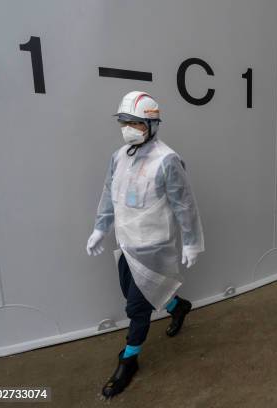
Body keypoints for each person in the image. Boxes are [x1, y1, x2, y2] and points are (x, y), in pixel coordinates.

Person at [85, 91, 205, 398]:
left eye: (135, 122)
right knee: (143, 292)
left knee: (136, 307)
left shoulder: (167, 160)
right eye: (124, 121)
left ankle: (129, 359)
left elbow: (185, 206)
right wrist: (100, 228)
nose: (128, 127)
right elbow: (107, 195)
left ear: (151, 125)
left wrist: (192, 243)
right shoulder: (118, 157)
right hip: (126, 242)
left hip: (154, 245)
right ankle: (179, 307)